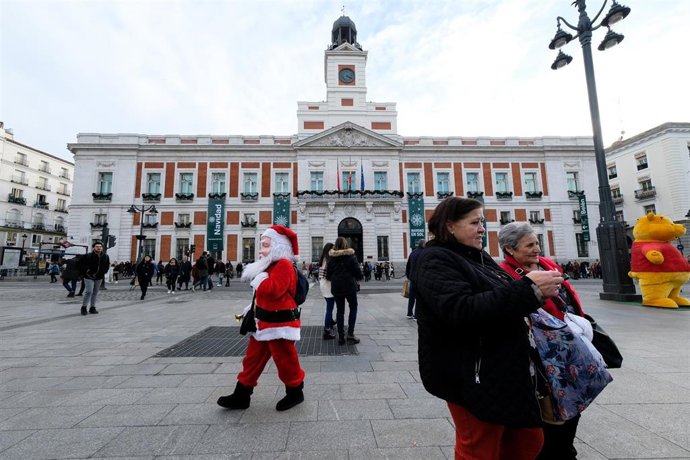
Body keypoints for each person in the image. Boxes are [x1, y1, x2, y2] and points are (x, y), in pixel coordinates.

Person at [411, 197, 563, 459]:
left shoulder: (477, 256)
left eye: (482, 221)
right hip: (471, 371)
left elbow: (502, 298)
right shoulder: (434, 259)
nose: (482, 228)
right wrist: (528, 288)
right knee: (479, 447)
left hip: (504, 370)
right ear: (450, 226)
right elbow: (461, 308)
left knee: (527, 441)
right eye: (474, 222)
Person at [498, 222, 586, 460]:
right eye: (530, 245)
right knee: (551, 410)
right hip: (542, 355)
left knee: (572, 406)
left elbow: (567, 297)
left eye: (537, 242)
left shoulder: (548, 265)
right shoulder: (505, 274)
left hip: (569, 347)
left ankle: (565, 448)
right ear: (510, 250)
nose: (537, 248)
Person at [217, 225, 305, 412]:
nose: (260, 250)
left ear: (278, 247)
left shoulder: (283, 265)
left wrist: (259, 278)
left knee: (285, 360)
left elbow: (274, 290)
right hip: (263, 322)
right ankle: (242, 394)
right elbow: (262, 295)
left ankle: (295, 391)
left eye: (265, 245)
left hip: (279, 324)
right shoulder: (270, 265)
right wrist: (252, 308)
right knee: (252, 359)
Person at [326, 237, 363, 345]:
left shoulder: (331, 258)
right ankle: (350, 334)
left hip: (337, 287)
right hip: (350, 286)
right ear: (346, 245)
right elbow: (358, 273)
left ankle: (341, 337)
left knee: (340, 311)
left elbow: (328, 275)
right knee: (353, 307)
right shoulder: (351, 257)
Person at [78, 241, 111, 315]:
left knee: (95, 292)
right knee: (89, 291)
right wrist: (86, 271)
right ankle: (84, 307)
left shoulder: (105, 256)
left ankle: (92, 307)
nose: (99, 248)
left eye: (100, 247)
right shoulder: (87, 256)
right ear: (93, 247)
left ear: (102, 248)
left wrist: (104, 271)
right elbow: (80, 264)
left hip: (99, 277)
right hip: (88, 276)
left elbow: (107, 265)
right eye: (97, 246)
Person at [318, 242, 336, 339]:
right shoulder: (329, 260)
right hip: (328, 285)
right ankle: (327, 330)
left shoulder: (323, 258)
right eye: (333, 249)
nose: (334, 250)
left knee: (329, 305)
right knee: (329, 308)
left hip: (323, 284)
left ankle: (331, 321)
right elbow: (329, 276)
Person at [405, 239, 425, 319]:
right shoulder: (423, 253)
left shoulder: (413, 252)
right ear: (423, 245)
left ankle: (409, 313)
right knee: (419, 297)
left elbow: (408, 265)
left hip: (412, 278)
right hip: (419, 278)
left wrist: (408, 276)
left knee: (412, 297)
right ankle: (417, 315)